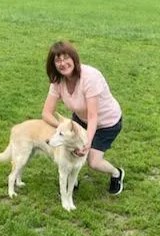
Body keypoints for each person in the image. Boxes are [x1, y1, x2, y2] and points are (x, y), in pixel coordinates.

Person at [42, 41, 125, 195]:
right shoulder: (57, 81)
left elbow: (93, 116)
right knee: (70, 148)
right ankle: (73, 180)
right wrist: (63, 128)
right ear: (53, 65)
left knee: (93, 161)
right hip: (80, 120)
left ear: (74, 58)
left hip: (106, 123)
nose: (62, 63)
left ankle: (116, 173)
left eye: (66, 58)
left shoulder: (90, 77)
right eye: (57, 60)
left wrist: (87, 143)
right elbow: (46, 113)